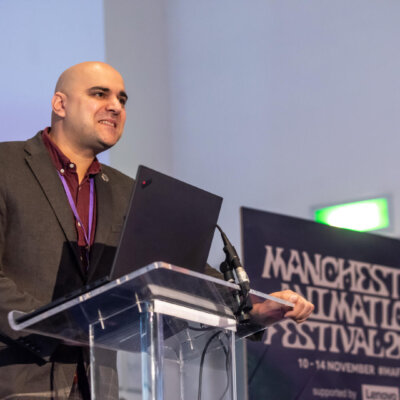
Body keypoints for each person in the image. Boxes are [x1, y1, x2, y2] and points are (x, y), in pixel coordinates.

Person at [0, 61, 313, 399]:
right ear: (60, 104)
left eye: (122, 99)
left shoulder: (126, 191)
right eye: (100, 94)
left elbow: (182, 273)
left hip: (96, 387)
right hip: (15, 378)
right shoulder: (6, 165)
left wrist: (252, 309)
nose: (115, 106)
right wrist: (49, 326)